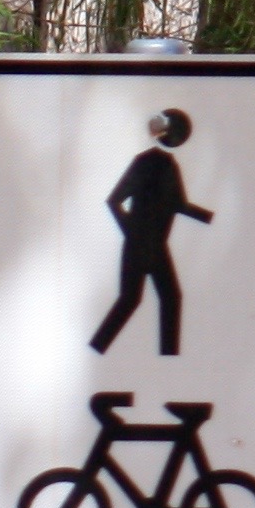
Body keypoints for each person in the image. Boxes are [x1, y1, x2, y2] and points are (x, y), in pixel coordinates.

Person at [88, 107, 214, 358]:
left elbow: (178, 204)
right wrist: (132, 232)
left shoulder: (169, 165)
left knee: (168, 297)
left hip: (156, 246)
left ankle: (168, 357)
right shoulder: (144, 162)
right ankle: (97, 348)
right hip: (141, 245)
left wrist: (209, 217)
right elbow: (114, 201)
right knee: (132, 300)